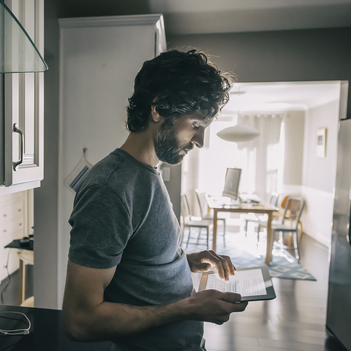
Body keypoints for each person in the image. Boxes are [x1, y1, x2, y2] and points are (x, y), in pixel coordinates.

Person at [62, 49, 248, 351]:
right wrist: (190, 307)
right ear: (159, 109)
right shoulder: (110, 189)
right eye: (196, 126)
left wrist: (182, 262)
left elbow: (135, 263)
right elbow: (79, 320)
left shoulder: (149, 172)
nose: (200, 142)